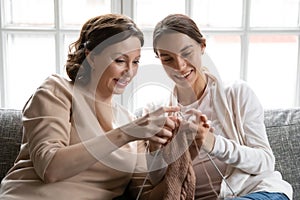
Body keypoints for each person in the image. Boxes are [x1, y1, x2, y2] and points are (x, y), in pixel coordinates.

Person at [0, 13, 179, 200]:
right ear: (91, 57)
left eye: (135, 62)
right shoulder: (57, 91)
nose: (130, 71)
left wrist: (182, 154)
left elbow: (146, 196)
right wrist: (126, 134)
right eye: (119, 60)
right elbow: (50, 168)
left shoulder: (132, 124)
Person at [146, 14, 293, 200]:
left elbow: (265, 162)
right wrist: (154, 147)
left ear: (202, 46)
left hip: (258, 192)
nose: (180, 66)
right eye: (167, 59)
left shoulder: (237, 93)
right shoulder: (159, 111)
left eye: (186, 53)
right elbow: (161, 183)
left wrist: (212, 143)